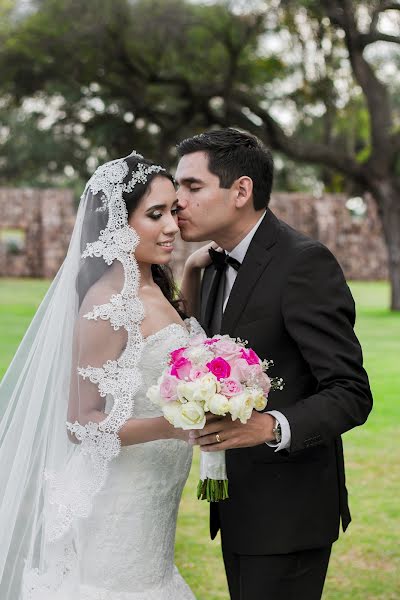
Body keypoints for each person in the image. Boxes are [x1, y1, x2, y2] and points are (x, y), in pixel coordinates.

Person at [176, 128, 373, 600]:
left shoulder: (304, 263)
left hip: (291, 514)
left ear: (241, 190)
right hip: (238, 507)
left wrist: (270, 427)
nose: (178, 200)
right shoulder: (209, 266)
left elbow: (351, 390)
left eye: (192, 186)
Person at [0, 152, 197, 599]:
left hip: (155, 499)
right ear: (115, 225)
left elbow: (166, 343)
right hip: (120, 501)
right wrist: (168, 426)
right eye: (155, 214)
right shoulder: (107, 305)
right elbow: (79, 422)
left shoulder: (153, 286)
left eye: (173, 211)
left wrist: (193, 272)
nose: (171, 226)